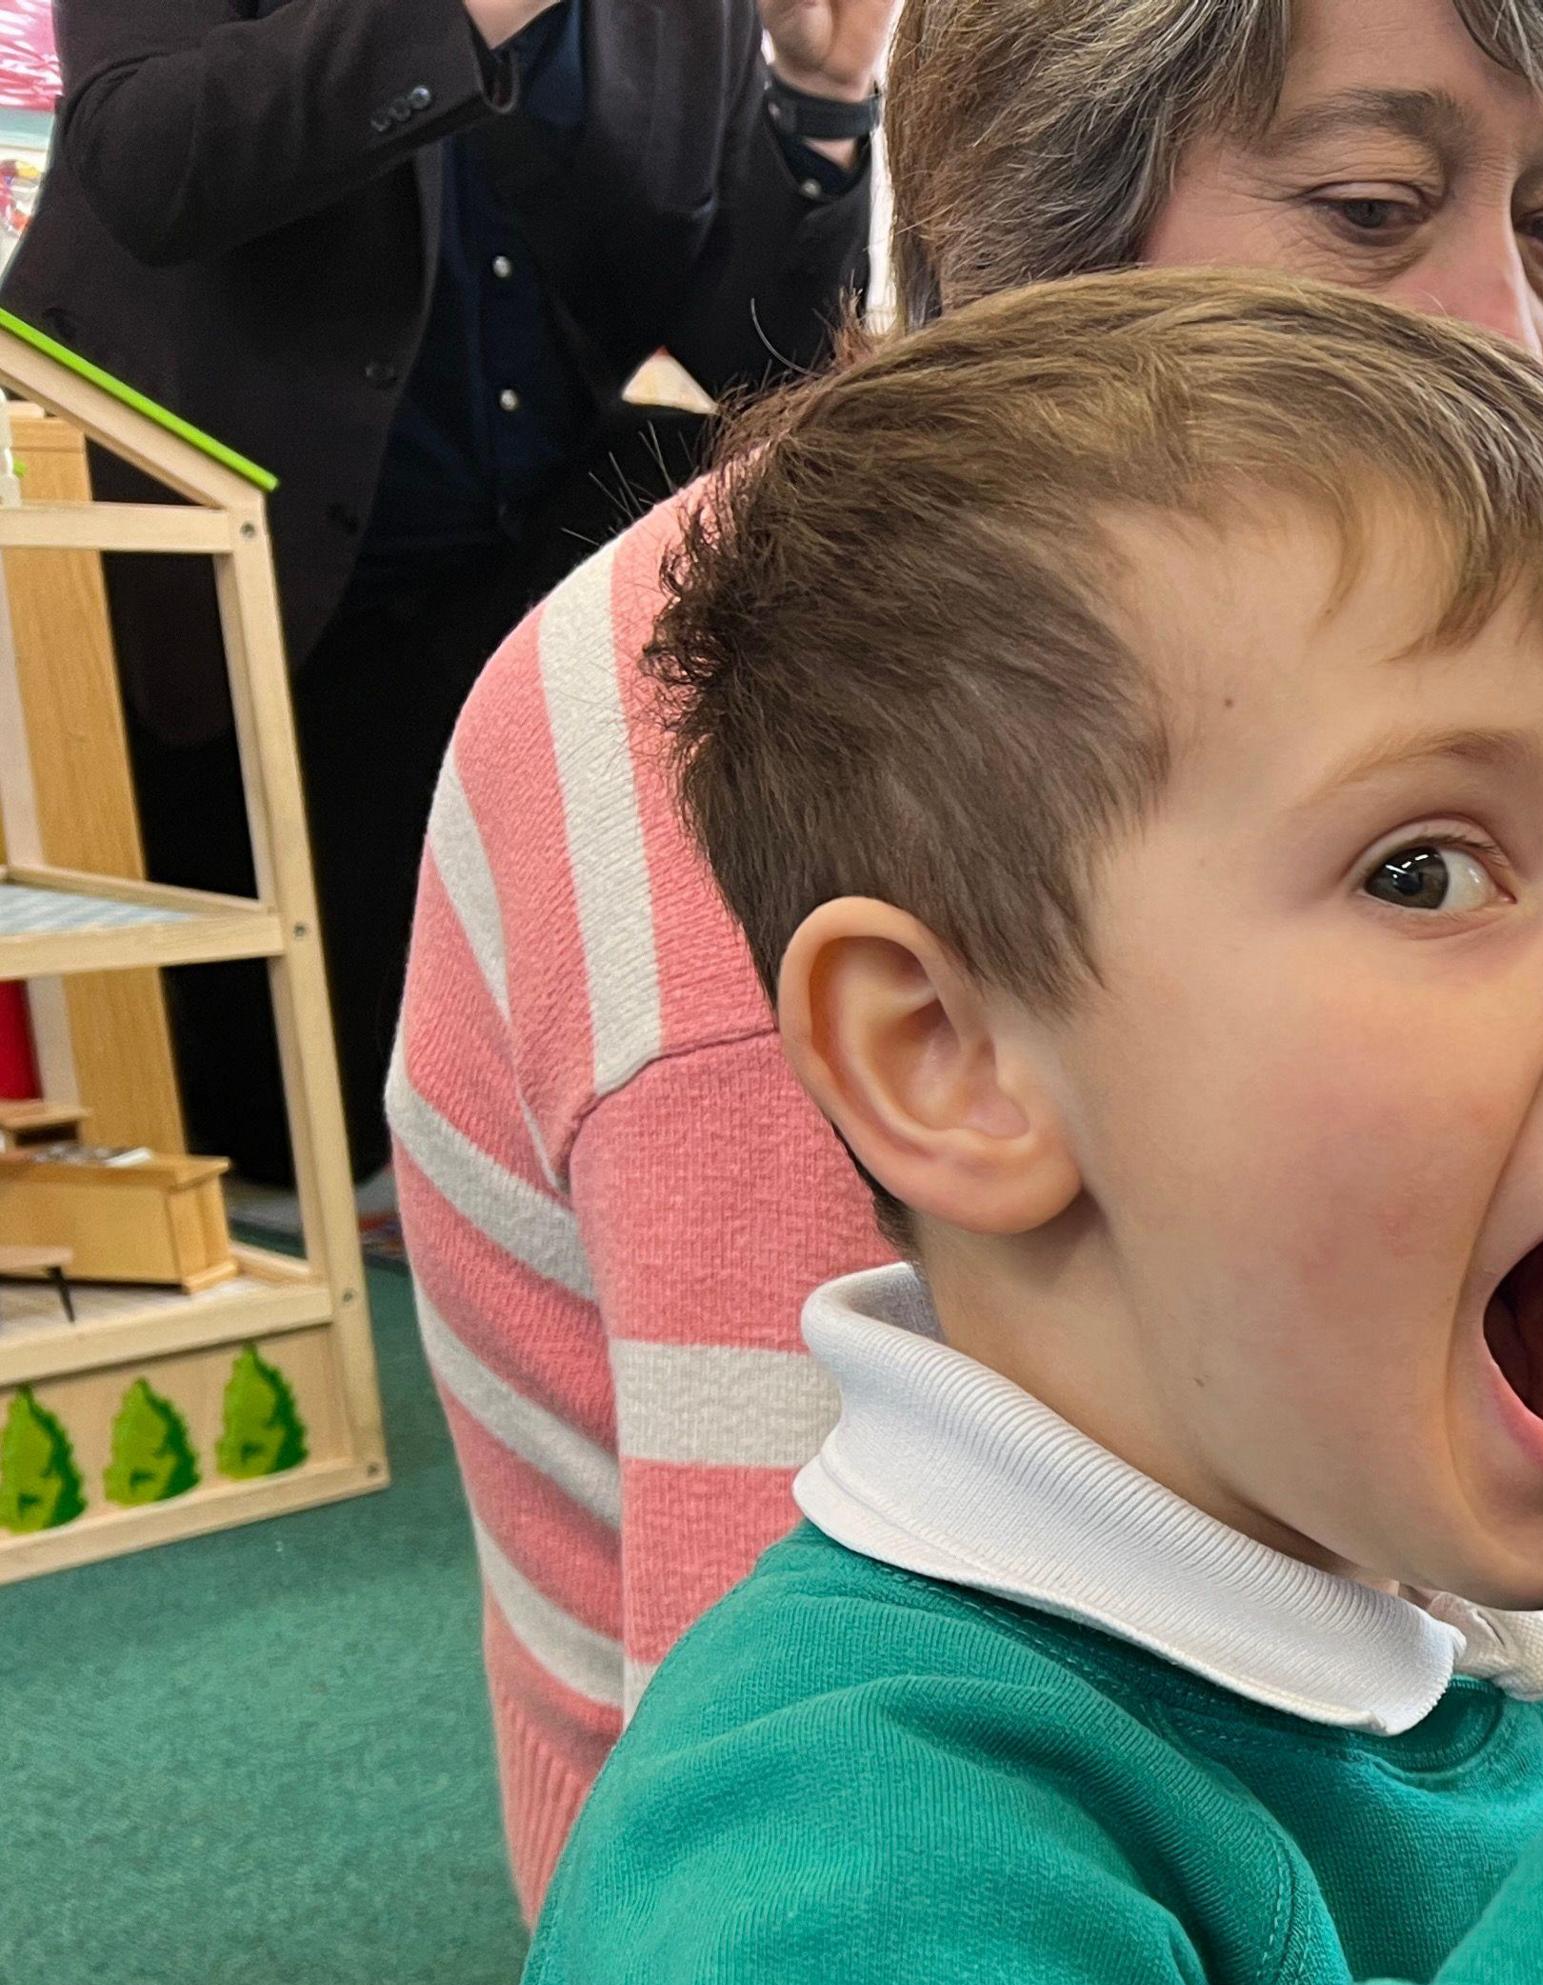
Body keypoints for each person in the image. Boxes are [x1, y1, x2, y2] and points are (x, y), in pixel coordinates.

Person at [391, 0, 1543, 1910]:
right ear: (1035, 232)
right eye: (1373, 202)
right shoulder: (787, 747)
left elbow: (1315, 1234)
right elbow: (829, 1809)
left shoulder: (1317, 722)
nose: (1511, 325)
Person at [8, 0, 889, 1183]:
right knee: (262, 1133)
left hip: (502, 580)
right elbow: (150, 161)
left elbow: (745, 361)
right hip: (216, 585)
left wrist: (821, 96)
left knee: (786, 496)